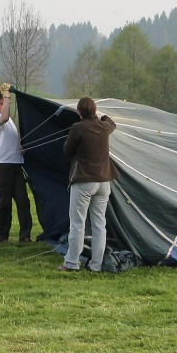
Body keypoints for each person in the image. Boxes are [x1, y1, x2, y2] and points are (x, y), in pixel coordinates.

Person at [59, 97, 119, 272]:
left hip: (84, 180)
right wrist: (100, 114)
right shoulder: (104, 127)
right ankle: (96, 265)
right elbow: (111, 122)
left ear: (79, 111)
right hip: (104, 182)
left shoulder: (77, 127)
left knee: (78, 223)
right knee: (100, 224)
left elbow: (67, 150)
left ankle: (71, 263)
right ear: (94, 110)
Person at [0, 83, 32, 244]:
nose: (6, 105)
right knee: (3, 202)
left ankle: (25, 235)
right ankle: (2, 237)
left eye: (8, 103)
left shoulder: (10, 120)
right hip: (2, 166)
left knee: (23, 201)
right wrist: (6, 95)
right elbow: (3, 117)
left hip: (16, 164)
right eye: (3, 102)